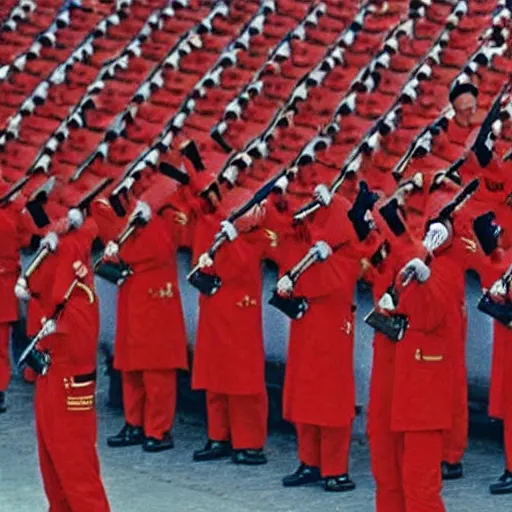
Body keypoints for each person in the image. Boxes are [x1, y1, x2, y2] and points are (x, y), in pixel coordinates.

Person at [15, 209, 110, 512]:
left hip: (70, 387)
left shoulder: (82, 294)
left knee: (78, 475)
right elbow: (43, 288)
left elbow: (80, 344)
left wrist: (58, 327)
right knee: (53, 471)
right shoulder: (62, 293)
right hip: (51, 381)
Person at [275, 189, 363, 492]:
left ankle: (335, 468)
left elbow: (327, 284)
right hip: (308, 325)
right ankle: (309, 460)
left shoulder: (347, 253)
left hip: (332, 327)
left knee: (332, 399)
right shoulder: (313, 247)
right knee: (305, 395)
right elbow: (289, 232)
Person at [97, 193, 188, 453]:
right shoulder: (133, 218)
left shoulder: (166, 216)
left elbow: (162, 247)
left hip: (156, 300)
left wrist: (146, 223)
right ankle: (134, 423)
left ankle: (158, 430)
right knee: (130, 367)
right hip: (133, 296)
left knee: (156, 371)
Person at [191, 186, 271, 465]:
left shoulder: (258, 236)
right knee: (216, 377)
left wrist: (233, 240)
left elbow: (244, 266)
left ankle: (249, 442)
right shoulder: (219, 232)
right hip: (217, 312)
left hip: (241, 315)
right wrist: (205, 260)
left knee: (244, 383)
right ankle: (218, 435)